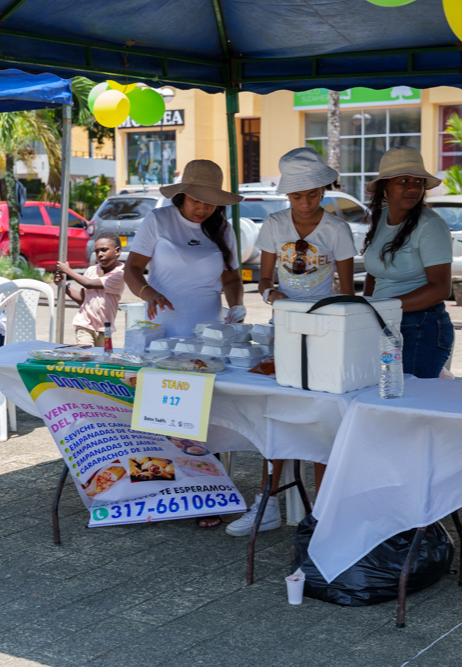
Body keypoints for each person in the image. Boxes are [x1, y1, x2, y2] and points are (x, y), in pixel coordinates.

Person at [226, 147, 357, 538]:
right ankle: (268, 500)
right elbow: (263, 282)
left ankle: (323, 511)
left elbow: (348, 293)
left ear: (324, 190)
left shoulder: (337, 230)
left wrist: (334, 323)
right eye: (297, 196)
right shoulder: (274, 225)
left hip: (327, 331)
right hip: (283, 327)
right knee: (280, 412)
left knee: (322, 418)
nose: (305, 203)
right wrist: (273, 297)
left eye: (313, 195)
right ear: (286, 196)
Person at [124, 159, 244, 529]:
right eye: (197, 199)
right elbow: (131, 268)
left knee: (205, 418)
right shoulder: (158, 222)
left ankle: (207, 494)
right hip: (162, 335)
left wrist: (237, 306)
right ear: (182, 194)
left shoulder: (222, 228)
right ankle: (156, 495)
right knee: (159, 415)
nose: (203, 207)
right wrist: (147, 291)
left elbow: (232, 277)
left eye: (211, 201)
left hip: (207, 337)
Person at [362, 146, 454, 378]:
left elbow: (440, 288)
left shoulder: (430, 225)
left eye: (418, 182)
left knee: (407, 404)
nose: (413, 188)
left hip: (421, 327)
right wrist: (367, 307)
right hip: (385, 324)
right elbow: (374, 272)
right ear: (385, 187)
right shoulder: (381, 218)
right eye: (403, 181)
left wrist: (383, 307)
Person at [54, 231, 124, 347]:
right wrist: (64, 286)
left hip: (105, 328)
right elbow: (82, 299)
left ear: (117, 251)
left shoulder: (119, 275)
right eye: (96, 251)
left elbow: (89, 284)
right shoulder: (91, 270)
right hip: (84, 323)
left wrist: (67, 270)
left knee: (102, 358)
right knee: (86, 352)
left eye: (104, 250)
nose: (99, 254)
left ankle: (69, 351)